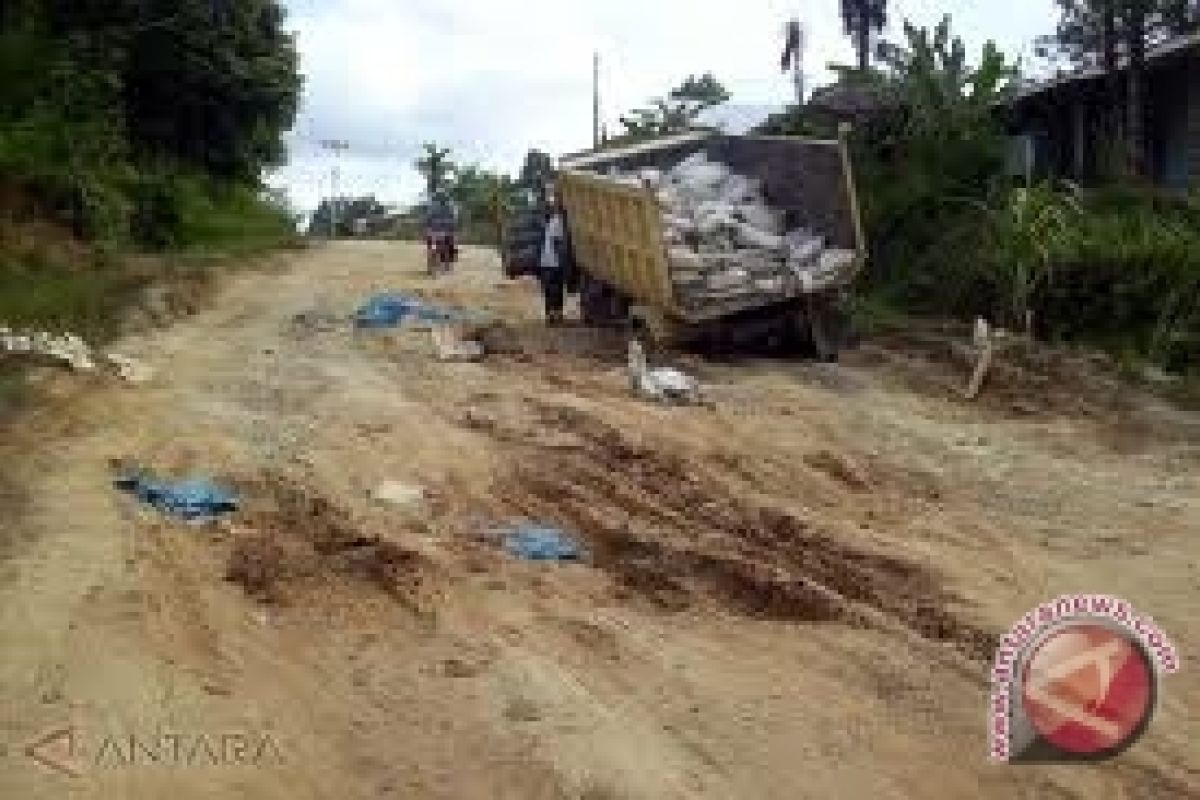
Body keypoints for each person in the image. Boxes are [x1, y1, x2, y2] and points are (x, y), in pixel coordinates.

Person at [538, 198, 568, 325]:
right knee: (555, 290)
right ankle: (556, 315)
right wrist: (563, 261)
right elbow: (557, 243)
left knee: (549, 290)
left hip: (545, 262)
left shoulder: (553, 221)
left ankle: (551, 315)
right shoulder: (558, 222)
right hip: (553, 263)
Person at [423, 191, 458, 267]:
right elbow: (454, 219)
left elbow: (428, 219)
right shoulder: (449, 207)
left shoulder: (433, 207)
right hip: (440, 230)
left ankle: (443, 260)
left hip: (437, 230)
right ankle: (444, 261)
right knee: (449, 243)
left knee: (448, 243)